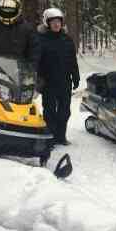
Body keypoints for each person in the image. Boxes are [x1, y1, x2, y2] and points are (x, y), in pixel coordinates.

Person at [37, 8, 80, 145]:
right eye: (53, 22)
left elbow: (72, 60)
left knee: (65, 111)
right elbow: (36, 61)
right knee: (49, 111)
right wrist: (38, 78)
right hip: (48, 82)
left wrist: (76, 76)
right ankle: (50, 138)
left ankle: (61, 136)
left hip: (65, 81)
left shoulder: (67, 40)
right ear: (47, 23)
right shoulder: (41, 40)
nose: (56, 24)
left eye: (58, 21)